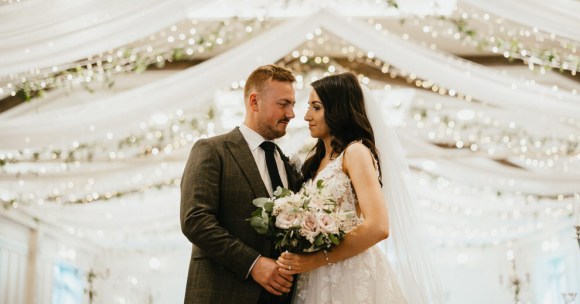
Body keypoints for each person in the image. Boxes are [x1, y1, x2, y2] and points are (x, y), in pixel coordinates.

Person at [276, 72, 442, 304]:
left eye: (316, 107)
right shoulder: (315, 161)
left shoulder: (355, 153)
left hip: (349, 272)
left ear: (337, 110)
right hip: (315, 276)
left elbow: (378, 226)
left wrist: (317, 259)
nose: (306, 116)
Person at [180, 64, 305, 304]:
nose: (291, 114)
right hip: (221, 294)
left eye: (293, 105)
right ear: (254, 102)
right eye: (283, 104)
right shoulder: (212, 150)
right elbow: (195, 219)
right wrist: (253, 264)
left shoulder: (287, 164)